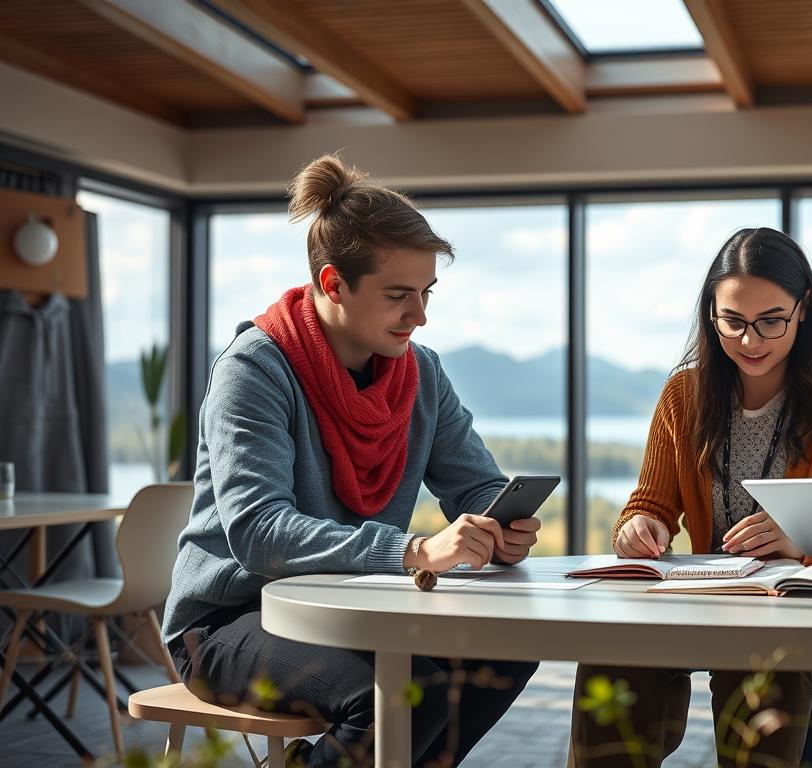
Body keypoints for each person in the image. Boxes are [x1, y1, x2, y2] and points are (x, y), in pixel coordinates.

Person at [161, 154, 540, 767]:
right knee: (405, 697)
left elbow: (475, 485)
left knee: (506, 648)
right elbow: (259, 535)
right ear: (334, 283)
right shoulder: (253, 370)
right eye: (398, 295)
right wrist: (414, 552)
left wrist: (497, 526)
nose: (419, 315)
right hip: (231, 619)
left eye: (425, 293)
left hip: (359, 608)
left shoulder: (423, 374)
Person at [569, 227, 812, 767]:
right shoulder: (684, 395)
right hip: (702, 604)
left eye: (771, 321)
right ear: (710, 315)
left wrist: (798, 543)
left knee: (764, 662)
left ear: (805, 310)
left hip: (807, 614)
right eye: (733, 323)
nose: (750, 341)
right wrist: (639, 528)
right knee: (613, 654)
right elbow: (649, 503)